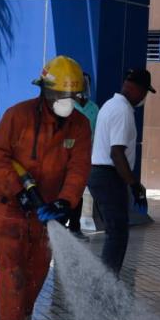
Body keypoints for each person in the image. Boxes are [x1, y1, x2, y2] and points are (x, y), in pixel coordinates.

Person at [0, 55, 92, 320]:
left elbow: (78, 168)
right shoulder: (18, 117)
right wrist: (18, 190)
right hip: (12, 211)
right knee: (13, 274)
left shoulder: (80, 126)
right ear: (45, 92)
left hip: (46, 215)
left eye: (71, 97)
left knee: (37, 273)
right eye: (60, 96)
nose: (65, 103)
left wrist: (65, 200)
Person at [88, 68, 154, 275]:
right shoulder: (122, 111)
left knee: (115, 231)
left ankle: (107, 280)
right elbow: (117, 153)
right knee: (117, 233)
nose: (144, 98)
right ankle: (107, 284)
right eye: (144, 92)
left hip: (102, 175)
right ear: (134, 89)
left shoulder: (110, 105)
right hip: (108, 176)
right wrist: (134, 185)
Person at [66, 72, 99, 241]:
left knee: (77, 192)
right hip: (65, 157)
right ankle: (60, 225)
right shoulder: (68, 107)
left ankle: (74, 227)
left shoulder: (94, 108)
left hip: (84, 157)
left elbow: (96, 134)